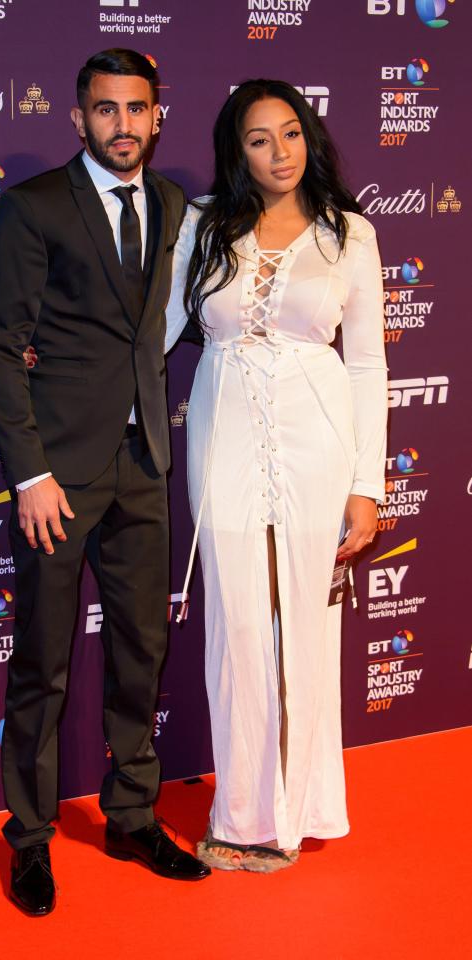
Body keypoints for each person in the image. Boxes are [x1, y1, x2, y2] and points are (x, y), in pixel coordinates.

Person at [0, 48, 210, 916]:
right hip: (58, 475)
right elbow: (1, 343)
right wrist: (29, 472)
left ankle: (131, 814)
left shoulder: (175, 205)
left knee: (140, 650)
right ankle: (30, 839)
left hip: (144, 462)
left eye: (137, 109)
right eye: (105, 110)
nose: (123, 125)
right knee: (42, 660)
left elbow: (173, 321)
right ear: (78, 119)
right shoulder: (34, 206)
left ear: (159, 116)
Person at [165, 80, 387, 872]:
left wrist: (366, 484)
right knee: (234, 624)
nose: (279, 152)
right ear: (238, 151)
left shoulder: (348, 234)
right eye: (259, 139)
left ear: (309, 137)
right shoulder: (199, 223)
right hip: (224, 436)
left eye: (290, 134)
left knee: (305, 624)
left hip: (317, 443)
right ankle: (243, 811)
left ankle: (301, 806)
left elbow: (364, 364)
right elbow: (151, 331)